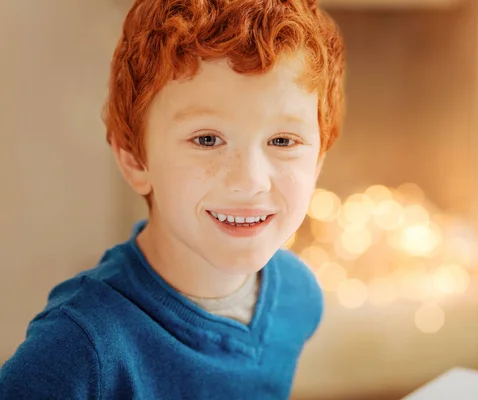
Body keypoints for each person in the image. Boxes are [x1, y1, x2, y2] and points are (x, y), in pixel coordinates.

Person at [0, 0, 345, 398]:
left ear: (319, 161)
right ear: (134, 159)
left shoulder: (298, 297)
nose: (250, 182)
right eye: (207, 139)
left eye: (283, 141)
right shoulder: (77, 349)